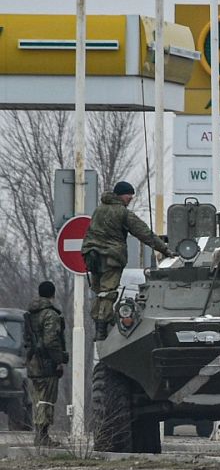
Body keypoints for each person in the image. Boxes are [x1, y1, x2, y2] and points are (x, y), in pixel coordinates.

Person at [83, 181, 172, 340]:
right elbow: (144, 233)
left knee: (100, 293)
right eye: (128, 194)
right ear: (120, 195)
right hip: (111, 256)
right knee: (108, 293)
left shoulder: (98, 210)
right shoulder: (122, 212)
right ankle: (101, 329)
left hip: (92, 255)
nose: (130, 198)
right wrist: (165, 250)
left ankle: (100, 322)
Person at [23, 281, 66, 447]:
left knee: (38, 400)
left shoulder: (31, 313)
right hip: (46, 363)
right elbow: (51, 340)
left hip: (33, 362)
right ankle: (42, 436)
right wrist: (58, 361)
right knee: (47, 400)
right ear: (52, 295)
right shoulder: (50, 315)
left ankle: (39, 435)